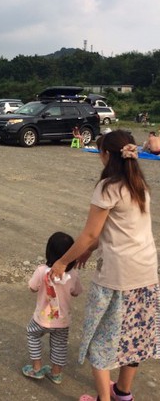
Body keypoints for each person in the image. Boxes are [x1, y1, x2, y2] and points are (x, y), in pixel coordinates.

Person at [49, 130, 159, 401]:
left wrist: (62, 262)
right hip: (146, 273)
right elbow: (119, 230)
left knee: (100, 339)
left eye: (100, 152)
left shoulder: (108, 187)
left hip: (116, 277)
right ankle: (122, 393)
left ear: (107, 155)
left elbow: (89, 233)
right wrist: (89, 250)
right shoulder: (139, 185)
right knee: (135, 337)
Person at [22, 232, 83, 384]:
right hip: (62, 321)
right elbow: (76, 292)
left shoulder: (42, 270)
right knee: (59, 345)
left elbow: (32, 287)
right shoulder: (73, 274)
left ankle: (36, 369)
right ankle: (56, 373)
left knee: (32, 334)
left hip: (41, 319)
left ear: (48, 251)